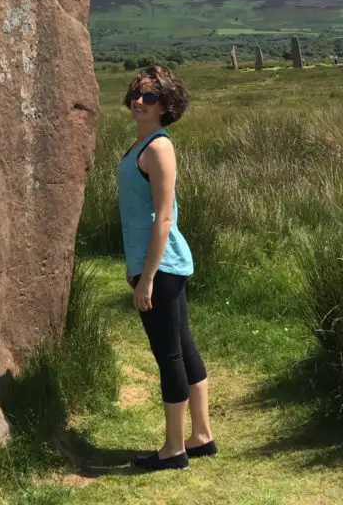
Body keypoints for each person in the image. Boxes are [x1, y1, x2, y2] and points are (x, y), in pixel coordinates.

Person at [118, 65, 215, 471]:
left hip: (161, 267)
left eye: (150, 97)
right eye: (136, 94)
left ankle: (173, 449)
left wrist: (148, 278)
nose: (139, 101)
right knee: (185, 347)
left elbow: (163, 218)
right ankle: (201, 436)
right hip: (158, 264)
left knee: (168, 355)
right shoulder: (144, 144)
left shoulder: (158, 148)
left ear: (166, 105)